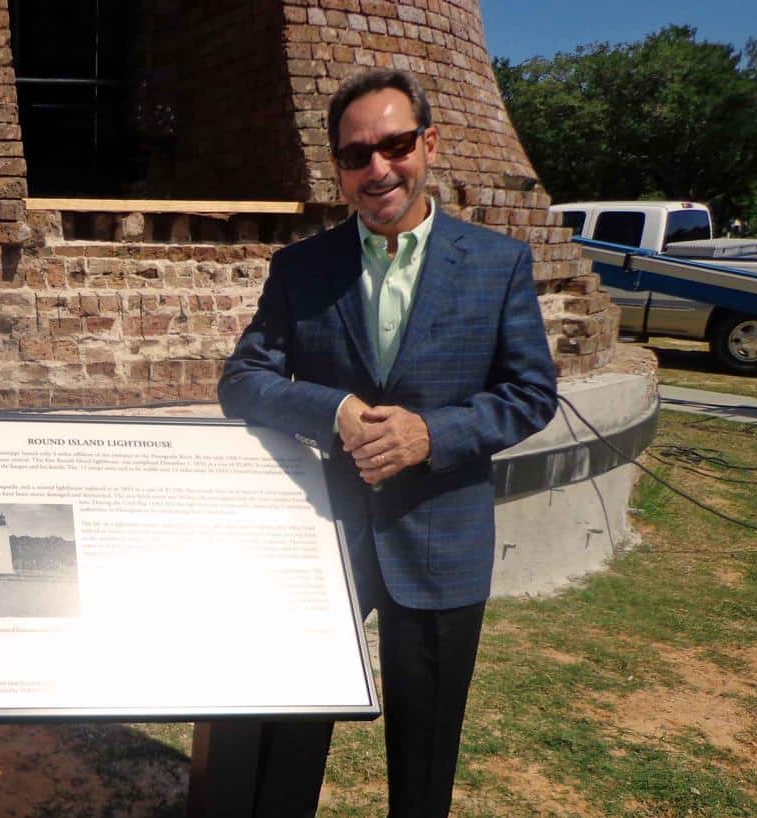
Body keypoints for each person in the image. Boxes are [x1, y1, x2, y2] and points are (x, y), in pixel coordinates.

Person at [217, 68, 557, 817]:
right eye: (355, 155)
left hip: (441, 536)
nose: (377, 169)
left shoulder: (497, 265)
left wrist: (430, 433)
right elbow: (241, 380)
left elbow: (532, 394)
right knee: (287, 735)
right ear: (336, 169)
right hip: (324, 539)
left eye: (394, 145)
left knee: (426, 755)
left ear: (428, 145)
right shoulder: (301, 268)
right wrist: (332, 408)